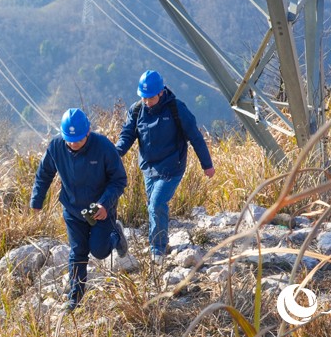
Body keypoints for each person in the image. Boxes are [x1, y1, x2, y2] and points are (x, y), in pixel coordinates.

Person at [31, 108, 128, 312]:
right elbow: (44, 174)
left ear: (88, 132)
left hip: (101, 210)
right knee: (78, 252)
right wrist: (37, 200)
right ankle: (75, 300)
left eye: (78, 139)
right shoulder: (56, 147)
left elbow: (119, 179)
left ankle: (116, 236)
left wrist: (104, 203)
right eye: (70, 139)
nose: (74, 143)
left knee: (99, 251)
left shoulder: (103, 146)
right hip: (73, 210)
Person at [116, 70, 214, 265]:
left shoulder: (177, 109)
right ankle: (162, 242)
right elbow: (127, 136)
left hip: (172, 166)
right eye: (143, 97)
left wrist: (207, 164)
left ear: (161, 93)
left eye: (150, 97)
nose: (146, 101)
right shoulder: (137, 110)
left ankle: (157, 250)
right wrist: (114, 153)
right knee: (153, 205)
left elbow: (195, 136)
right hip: (149, 168)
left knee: (157, 202)